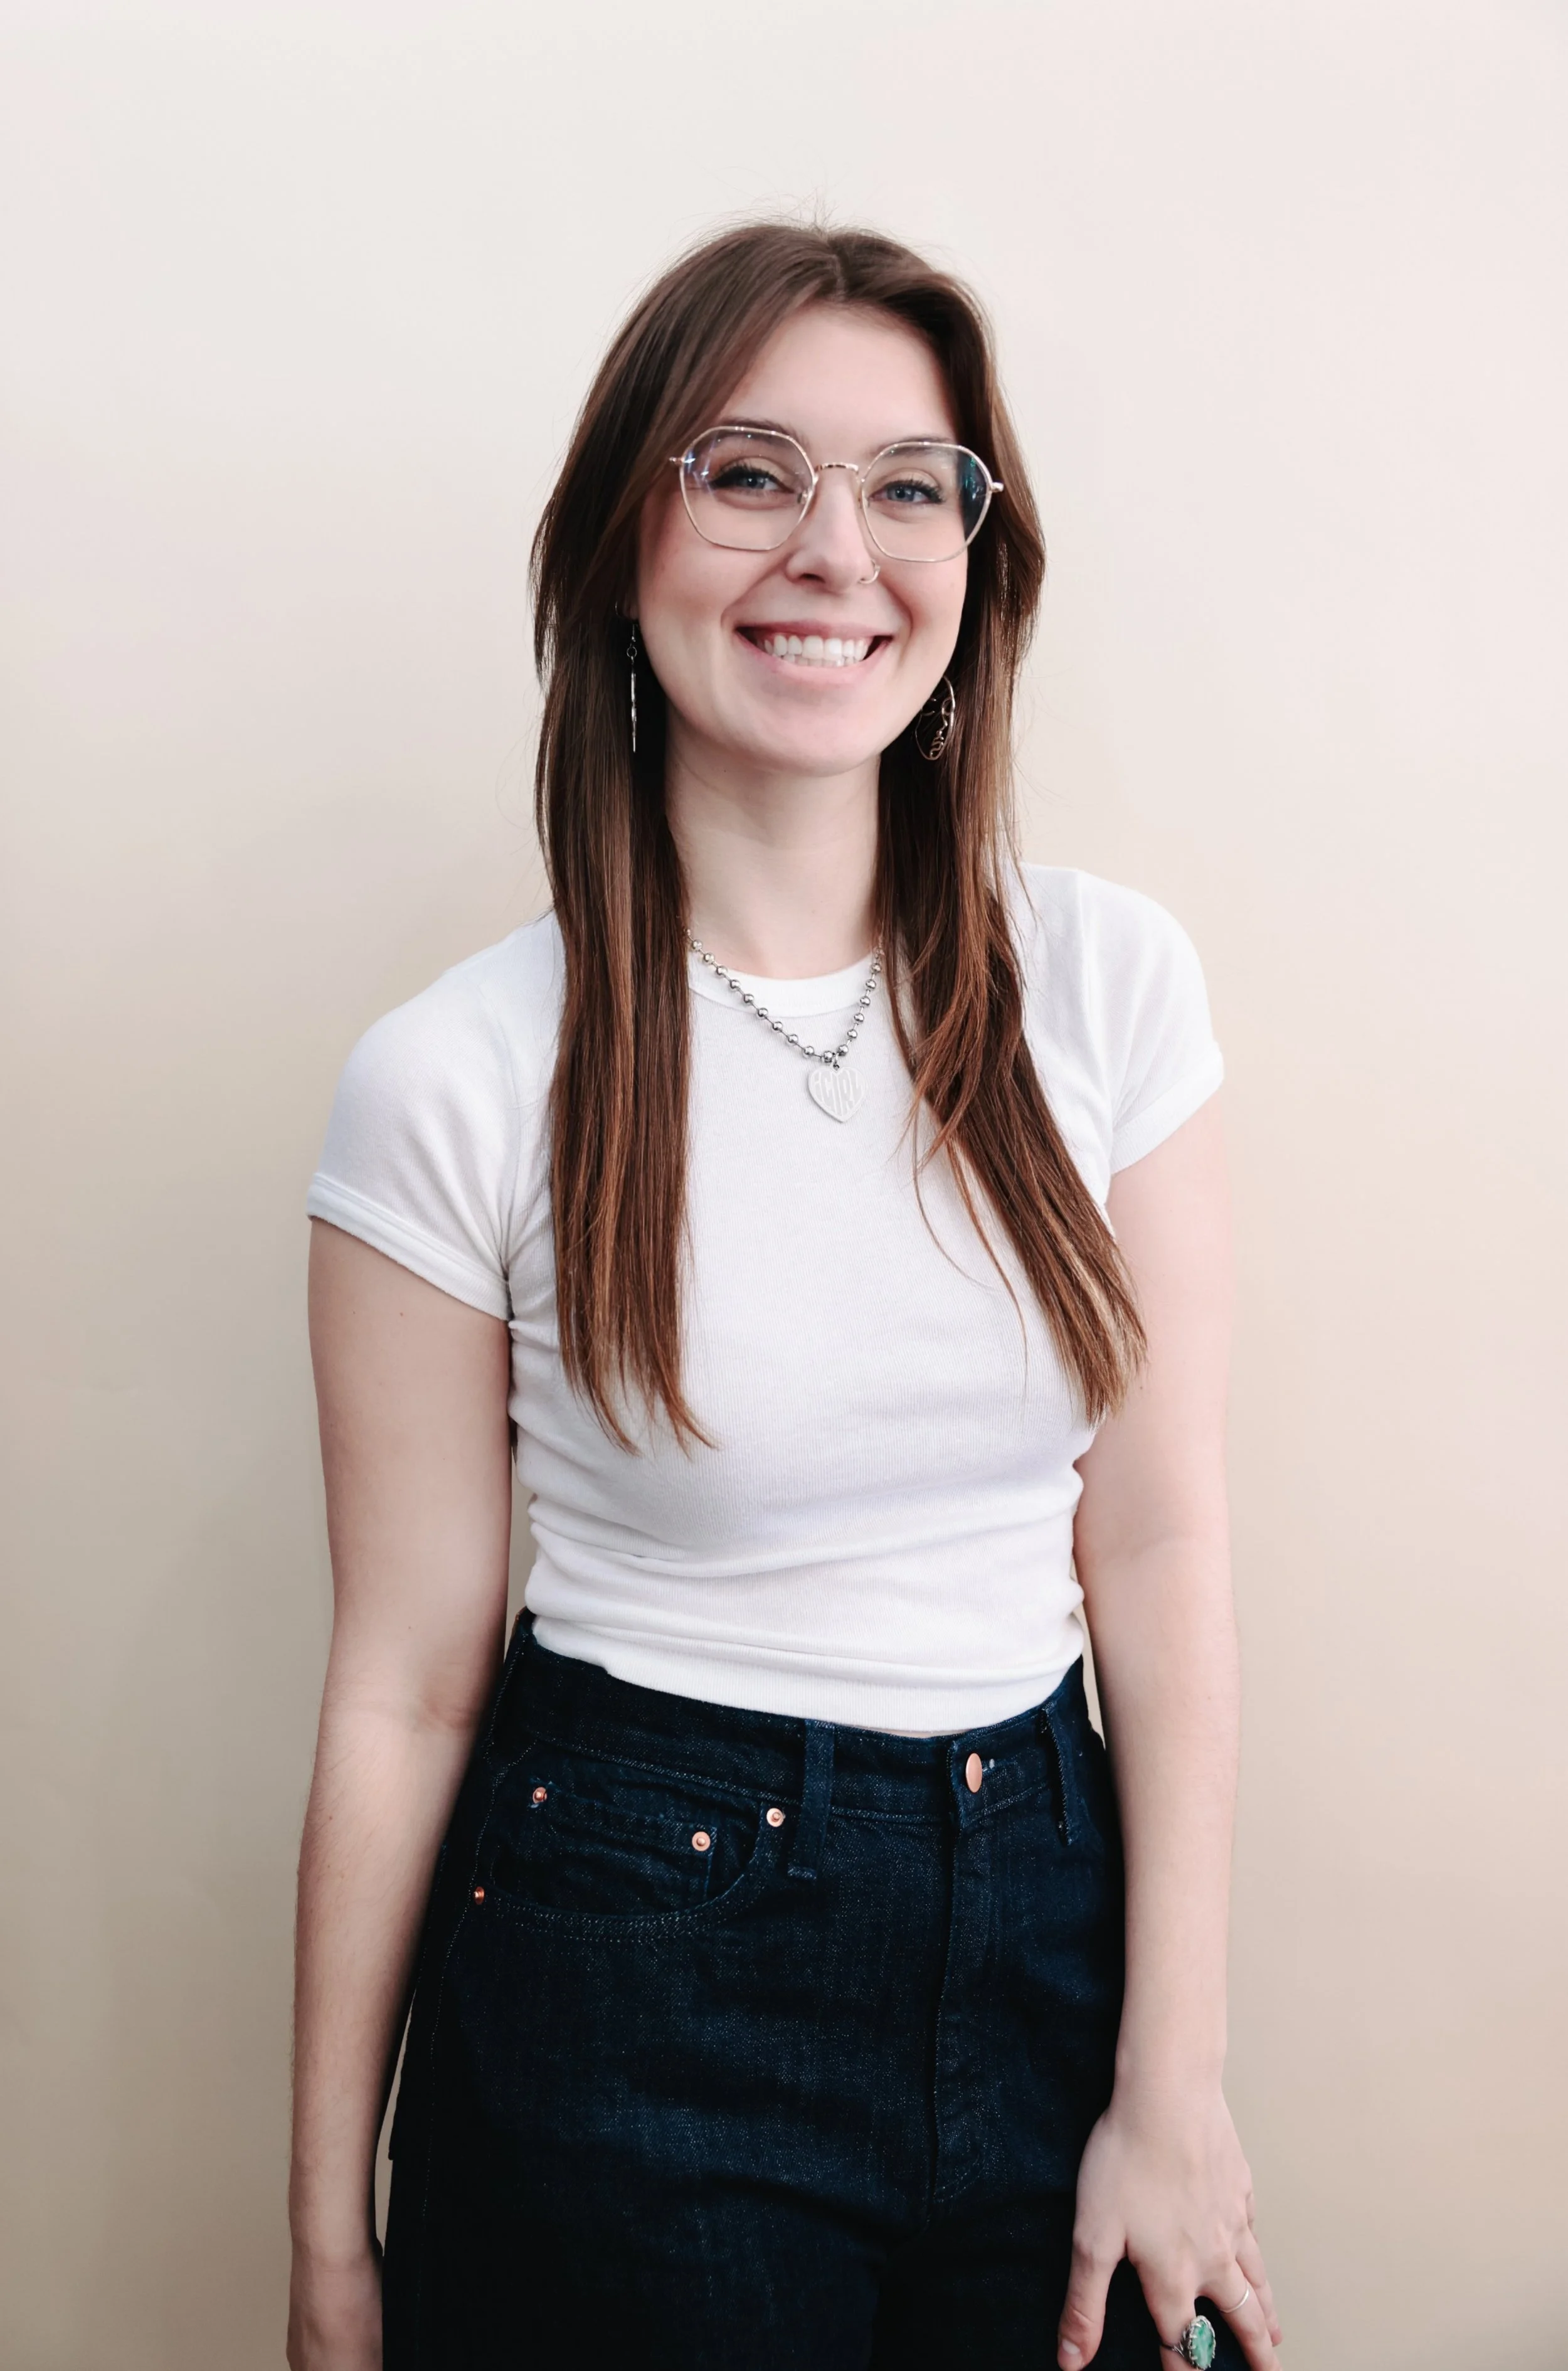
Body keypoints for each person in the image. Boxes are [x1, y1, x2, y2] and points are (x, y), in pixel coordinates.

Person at [286, 220, 1283, 2371]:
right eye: (749, 473)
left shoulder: (1107, 985)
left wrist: (1173, 2078)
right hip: (622, 1958)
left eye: (910, 485)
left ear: (974, 563)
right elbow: (405, 1687)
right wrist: (328, 2234)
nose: (836, 548)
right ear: (619, 542)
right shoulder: (457, 1075)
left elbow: (1157, 1540)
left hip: (1050, 1912)